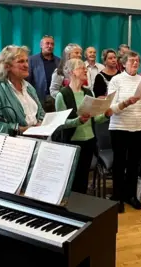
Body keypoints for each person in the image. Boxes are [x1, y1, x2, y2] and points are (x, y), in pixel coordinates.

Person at [55, 58, 112, 194]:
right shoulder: (62, 95)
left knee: (84, 178)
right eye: (81, 67)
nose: (85, 69)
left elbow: (95, 119)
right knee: (73, 181)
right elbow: (60, 124)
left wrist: (106, 115)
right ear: (72, 72)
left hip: (89, 141)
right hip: (73, 143)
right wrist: (78, 121)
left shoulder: (88, 92)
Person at [108, 51, 141, 212]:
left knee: (134, 163)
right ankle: (118, 197)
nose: (135, 63)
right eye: (132, 61)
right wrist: (126, 102)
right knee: (119, 163)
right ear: (124, 63)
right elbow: (111, 108)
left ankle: (131, 195)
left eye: (137, 61)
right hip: (119, 127)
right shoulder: (116, 80)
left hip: (138, 126)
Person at [0, 45, 45, 134]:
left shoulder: (29, 87)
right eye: (21, 61)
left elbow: (41, 113)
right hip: (15, 143)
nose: (26, 65)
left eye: (27, 61)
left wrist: (41, 125)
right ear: (7, 66)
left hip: (38, 138)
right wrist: (26, 130)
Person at [27, 35, 60, 108]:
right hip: (37, 99)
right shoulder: (31, 60)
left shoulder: (59, 61)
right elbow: (28, 81)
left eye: (52, 44)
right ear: (41, 45)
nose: (50, 46)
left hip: (55, 100)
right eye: (47, 43)